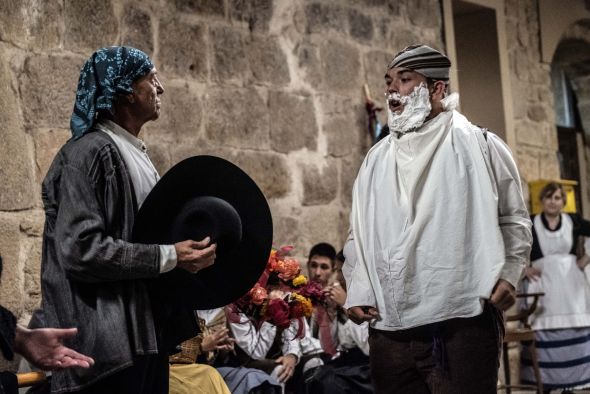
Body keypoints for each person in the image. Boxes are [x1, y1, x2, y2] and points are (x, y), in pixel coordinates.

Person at [342, 44, 532, 393]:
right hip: (391, 324)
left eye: (405, 79)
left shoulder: (482, 146)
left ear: (437, 88)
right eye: (389, 81)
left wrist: (509, 273)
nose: (392, 90)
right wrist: (357, 287)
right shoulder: (375, 160)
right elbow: (359, 233)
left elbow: (514, 219)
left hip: (462, 320)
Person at [32, 46, 216, 393]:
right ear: (126, 90)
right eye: (151, 78)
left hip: (143, 334)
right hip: (106, 348)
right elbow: (81, 249)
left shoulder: (132, 152)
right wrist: (170, 255)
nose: (159, 88)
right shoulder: (89, 153)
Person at [520, 182, 590, 392]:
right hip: (542, 285)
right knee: (542, 326)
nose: (553, 202)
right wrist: (524, 268)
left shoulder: (574, 221)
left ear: (563, 201)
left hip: (570, 285)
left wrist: (585, 259)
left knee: (574, 325)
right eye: (549, 197)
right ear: (541, 200)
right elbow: (513, 243)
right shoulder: (530, 223)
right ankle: (546, 382)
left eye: (557, 198)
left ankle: (578, 380)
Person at [305, 244, 372, 394]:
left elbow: (368, 348)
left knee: (327, 381)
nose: (339, 277)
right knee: (313, 375)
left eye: (343, 271)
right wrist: (331, 312)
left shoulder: (368, 300)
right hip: (347, 363)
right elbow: (332, 346)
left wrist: (346, 304)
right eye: (339, 271)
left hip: (367, 367)